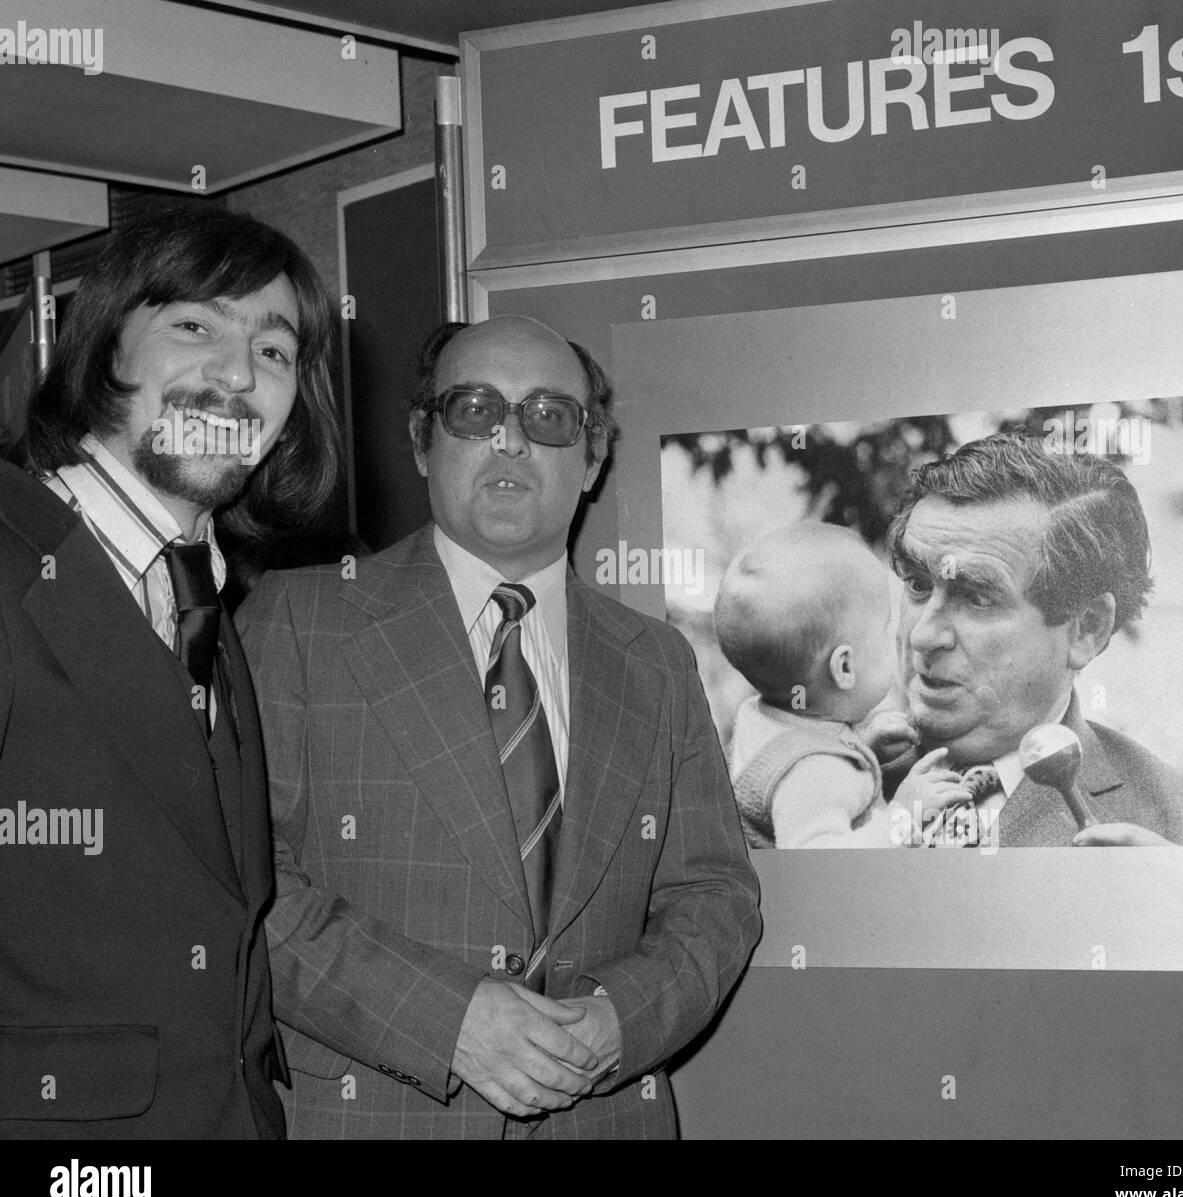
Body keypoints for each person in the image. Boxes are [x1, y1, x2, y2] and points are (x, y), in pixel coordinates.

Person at [236, 314, 761, 1139]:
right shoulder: (299, 623)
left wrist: (620, 1021)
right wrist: (448, 1020)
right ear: (422, 441)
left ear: (592, 460)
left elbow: (716, 895)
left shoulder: (656, 662)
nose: (511, 440)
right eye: (476, 410)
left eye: (550, 416)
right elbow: (247, 886)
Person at [0, 203, 341, 1139]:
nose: (238, 374)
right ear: (106, 347)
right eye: (195, 325)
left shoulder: (204, 602)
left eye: (274, 352)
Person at [883, 431, 1183, 848]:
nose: (923, 635)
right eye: (918, 584)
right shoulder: (813, 772)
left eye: (977, 598)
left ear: (1086, 628)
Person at [715, 521, 971, 848]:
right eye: (884, 627)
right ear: (845, 667)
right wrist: (904, 814)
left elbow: (801, 759)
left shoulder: (764, 715)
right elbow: (821, 865)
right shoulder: (815, 774)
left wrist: (862, 749)